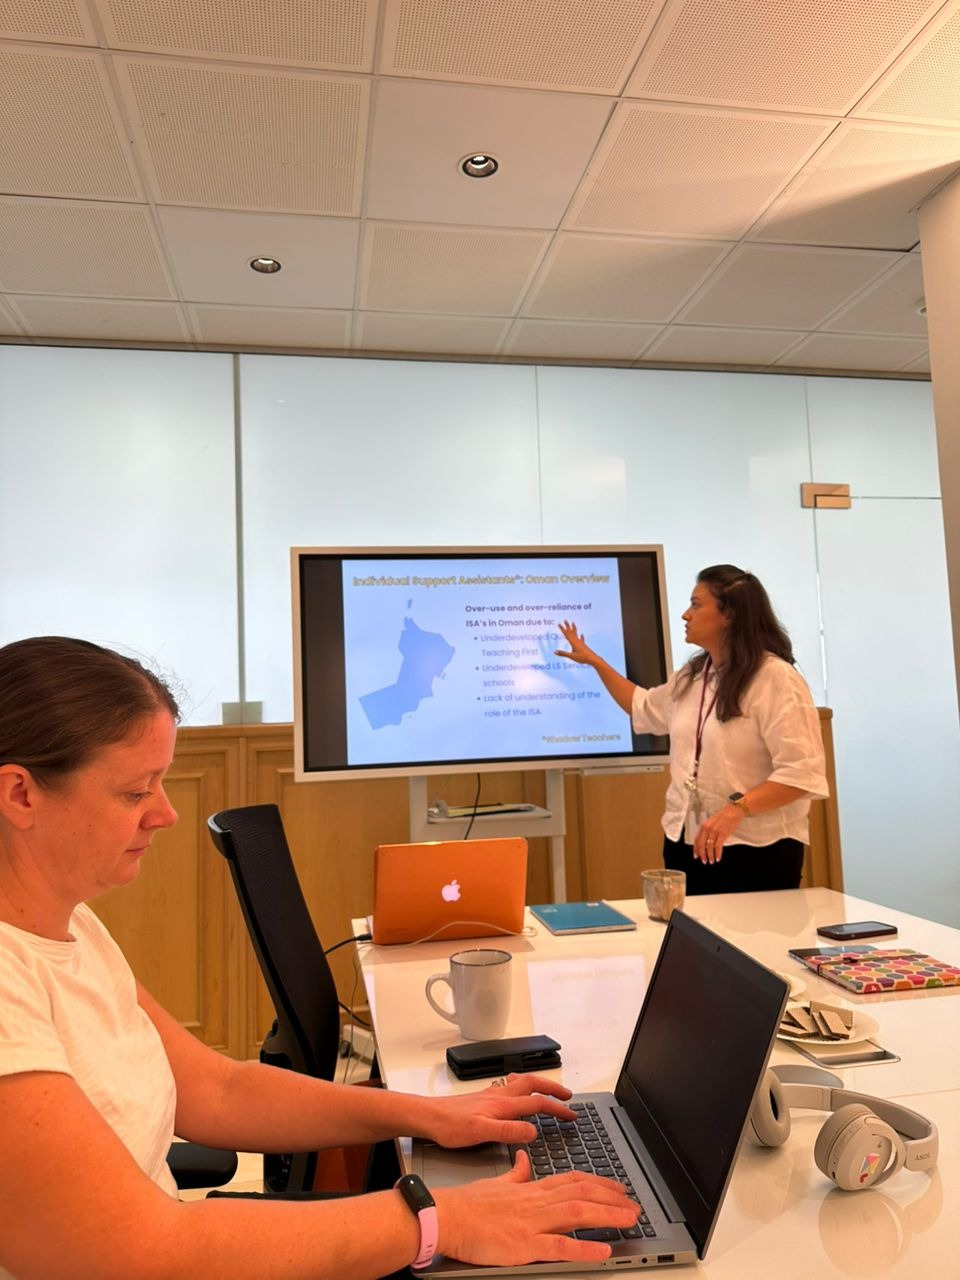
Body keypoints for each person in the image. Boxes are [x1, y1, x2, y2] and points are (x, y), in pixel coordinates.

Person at [0, 636, 638, 1280]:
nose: (165, 814)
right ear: (20, 794)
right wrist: (442, 1220)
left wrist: (429, 1113)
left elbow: (215, 1089)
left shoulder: (71, 922)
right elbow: (146, 1249)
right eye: (136, 793)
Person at [556, 565, 828, 894]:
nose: (685, 614)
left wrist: (736, 809)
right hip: (686, 840)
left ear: (729, 615)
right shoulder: (694, 674)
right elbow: (643, 707)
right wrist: (595, 662)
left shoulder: (776, 679)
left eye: (696, 605)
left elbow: (801, 774)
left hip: (755, 848)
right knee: (688, 928)